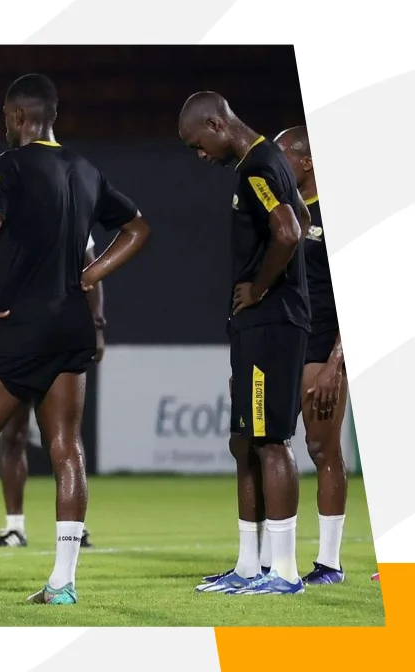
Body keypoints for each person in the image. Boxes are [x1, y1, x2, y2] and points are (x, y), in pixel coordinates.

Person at [0, 74, 151, 608]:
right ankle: (62, 584)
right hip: (70, 329)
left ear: (16, 116)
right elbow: (137, 229)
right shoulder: (87, 169)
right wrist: (91, 276)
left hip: (13, 327)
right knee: (67, 448)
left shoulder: (8, 165)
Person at [180, 92, 311, 596]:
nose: (200, 155)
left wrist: (259, 287)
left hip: (271, 321)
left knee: (270, 441)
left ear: (217, 123)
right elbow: (301, 219)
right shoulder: (265, 163)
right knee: (245, 441)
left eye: (198, 144)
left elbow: (290, 231)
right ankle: (249, 566)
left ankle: (285, 572)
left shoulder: (258, 166)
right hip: (260, 324)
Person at [0, 233, 100, 550]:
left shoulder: (72, 209)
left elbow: (91, 266)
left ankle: (75, 529)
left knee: (63, 437)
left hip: (55, 334)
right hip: (15, 335)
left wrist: (98, 324)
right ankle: (15, 526)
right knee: (14, 433)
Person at [275, 125, 348, 585]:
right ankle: (269, 560)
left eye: (283, 156)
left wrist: (335, 365)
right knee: (270, 447)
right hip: (284, 347)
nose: (276, 164)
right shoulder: (282, 213)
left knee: (322, 449)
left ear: (307, 161)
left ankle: (329, 563)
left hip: (322, 350)